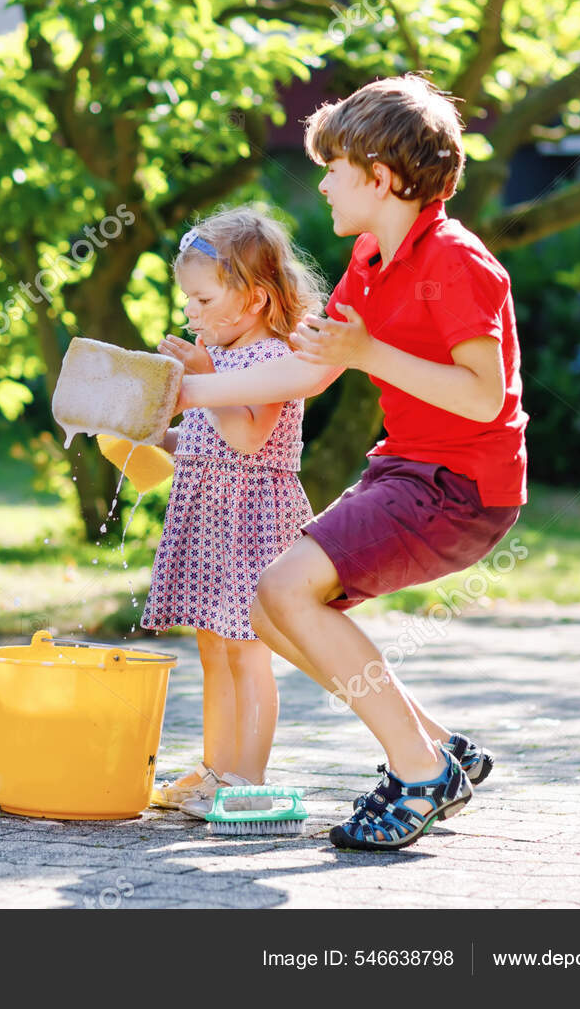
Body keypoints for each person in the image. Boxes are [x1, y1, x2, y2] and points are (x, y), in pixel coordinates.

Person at [174, 74, 527, 850]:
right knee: (273, 607)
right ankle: (440, 746)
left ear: (381, 177)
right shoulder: (371, 256)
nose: (323, 182)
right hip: (405, 469)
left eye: (334, 167)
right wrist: (191, 390)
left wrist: (371, 351)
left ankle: (419, 770)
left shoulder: (457, 263)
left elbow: (483, 398)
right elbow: (305, 369)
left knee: (284, 588)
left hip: (461, 484)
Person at [142, 206, 324, 817]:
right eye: (187, 299)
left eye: (201, 298)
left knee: (247, 651)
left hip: (252, 521)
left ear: (252, 299)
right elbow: (202, 440)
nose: (189, 311)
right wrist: (149, 437)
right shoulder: (215, 356)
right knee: (212, 649)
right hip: (207, 518)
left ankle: (247, 780)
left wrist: (204, 374)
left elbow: (247, 438)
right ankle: (216, 767)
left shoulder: (274, 358)